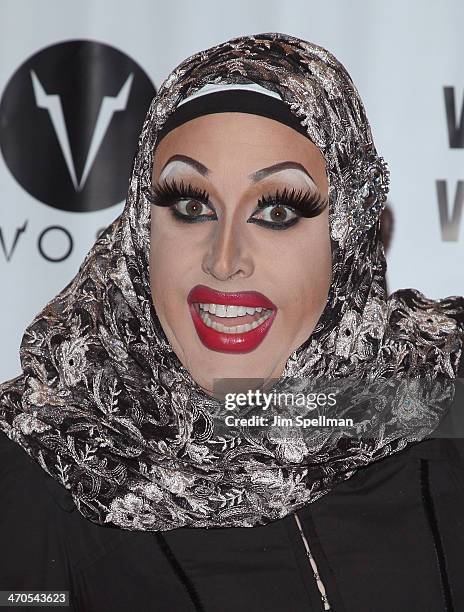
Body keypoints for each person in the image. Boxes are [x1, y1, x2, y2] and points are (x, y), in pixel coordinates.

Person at [0, 32, 463, 612]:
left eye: (276, 210)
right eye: (191, 206)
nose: (224, 260)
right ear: (144, 228)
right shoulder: (50, 453)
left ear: (345, 236)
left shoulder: (430, 404)